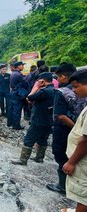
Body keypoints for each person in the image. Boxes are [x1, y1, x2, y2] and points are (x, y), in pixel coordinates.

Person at [46, 63, 85, 194]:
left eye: (58, 77)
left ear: (63, 76)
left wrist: (76, 129)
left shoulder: (62, 92)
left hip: (65, 131)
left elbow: (61, 116)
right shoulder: (82, 90)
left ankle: (63, 186)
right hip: (80, 131)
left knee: (61, 155)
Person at [11, 72, 55, 165]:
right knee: (42, 139)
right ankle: (39, 158)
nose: (37, 82)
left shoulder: (44, 91)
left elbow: (29, 97)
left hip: (38, 120)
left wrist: (36, 87)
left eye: (39, 81)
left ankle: (23, 160)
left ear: (43, 80)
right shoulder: (53, 90)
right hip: (48, 120)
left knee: (28, 139)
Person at [62, 69, 87, 212]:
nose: (74, 90)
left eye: (77, 86)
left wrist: (71, 162)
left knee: (84, 196)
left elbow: (85, 140)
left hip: (82, 161)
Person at [7, 61, 29, 130]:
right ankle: (16, 125)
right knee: (17, 109)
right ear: (18, 66)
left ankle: (10, 123)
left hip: (13, 92)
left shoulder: (13, 74)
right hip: (17, 94)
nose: (23, 66)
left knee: (11, 108)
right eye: (22, 65)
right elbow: (25, 83)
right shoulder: (18, 74)